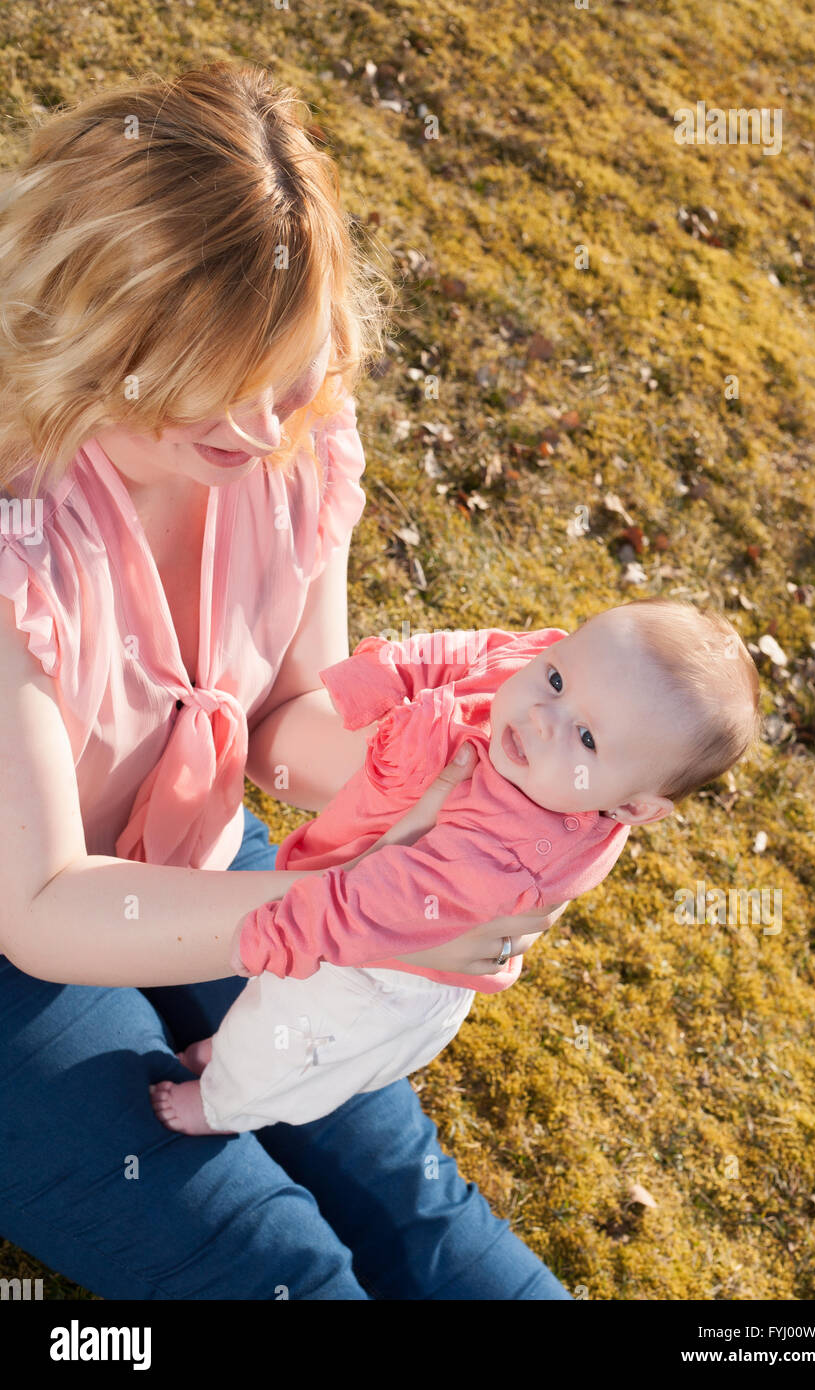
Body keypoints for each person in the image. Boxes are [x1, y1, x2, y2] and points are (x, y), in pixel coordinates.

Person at [0, 62, 573, 1299]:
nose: (265, 430)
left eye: (289, 371)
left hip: (194, 864)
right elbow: (42, 902)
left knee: (406, 1192)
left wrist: (436, 798)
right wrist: (346, 911)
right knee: (266, 1262)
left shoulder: (288, 441)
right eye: (216, 391)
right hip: (20, 938)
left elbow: (285, 720)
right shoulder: (14, 536)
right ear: (93, 340)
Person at [148, 599, 761, 1135]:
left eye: (588, 740)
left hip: (380, 973)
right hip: (349, 893)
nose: (542, 717)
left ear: (630, 806)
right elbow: (470, 654)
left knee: (282, 1045)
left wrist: (270, 929)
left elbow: (374, 904)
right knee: (266, 1002)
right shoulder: (554, 673)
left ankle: (222, 1104)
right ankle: (222, 1049)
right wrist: (381, 680)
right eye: (554, 680)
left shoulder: (511, 847)